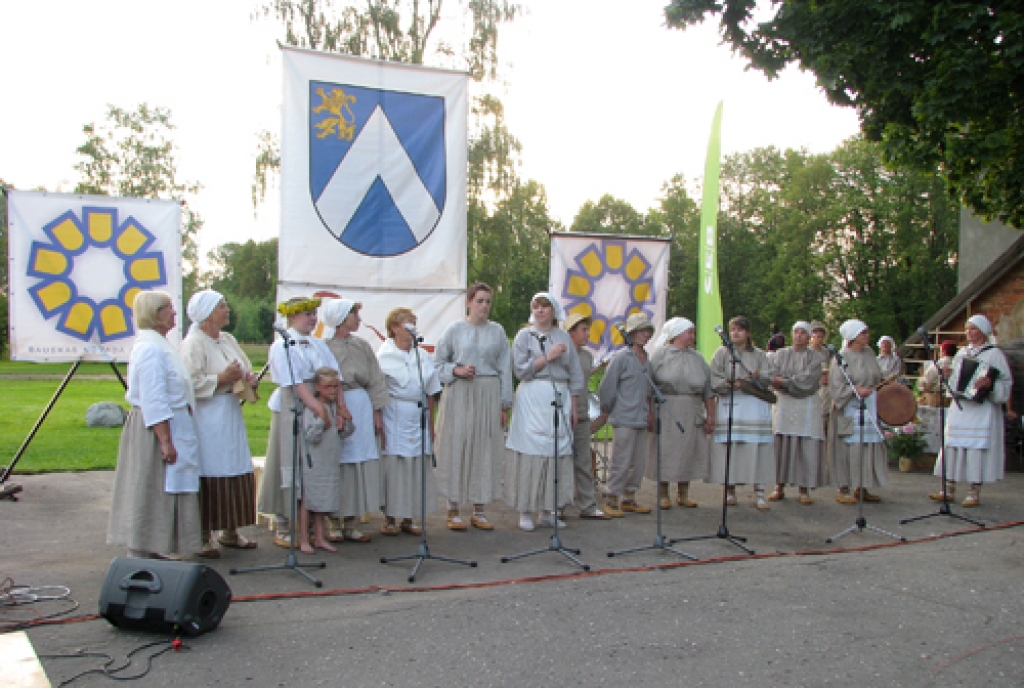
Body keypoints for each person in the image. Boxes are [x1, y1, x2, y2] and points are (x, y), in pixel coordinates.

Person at [107, 290, 201, 559]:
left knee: (165, 488)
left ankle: (159, 547)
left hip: (172, 423)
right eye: (169, 308)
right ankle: (141, 549)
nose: (174, 313)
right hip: (155, 428)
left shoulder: (161, 344)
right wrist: (165, 440)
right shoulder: (149, 348)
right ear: (156, 314)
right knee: (151, 487)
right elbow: (154, 397)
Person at [257, 296, 347, 548]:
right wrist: (319, 408)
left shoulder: (318, 345)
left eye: (314, 314)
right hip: (294, 407)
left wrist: (339, 406)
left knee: (315, 465)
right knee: (290, 461)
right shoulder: (282, 346)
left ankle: (313, 527)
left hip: (321, 404)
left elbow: (334, 376)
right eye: (307, 314)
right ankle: (286, 522)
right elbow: (295, 383)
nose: (313, 319)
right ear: (293, 316)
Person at [180, 290, 260, 557]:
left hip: (229, 413)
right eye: (222, 306)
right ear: (207, 313)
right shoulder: (194, 343)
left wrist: (248, 379)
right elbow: (190, 383)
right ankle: (203, 536)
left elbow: (244, 366)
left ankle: (230, 530)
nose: (227, 309)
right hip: (207, 416)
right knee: (210, 469)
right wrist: (222, 378)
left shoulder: (226, 339)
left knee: (234, 466)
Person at [434, 283, 513, 531]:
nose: (484, 306)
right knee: (457, 446)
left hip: (488, 393)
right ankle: (453, 507)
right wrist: (457, 370)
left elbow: (505, 369)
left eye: (488, 301)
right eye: (479, 301)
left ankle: (479, 509)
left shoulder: (497, 332)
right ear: (469, 302)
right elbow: (437, 363)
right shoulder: (454, 330)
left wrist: (504, 404)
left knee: (484, 448)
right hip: (459, 393)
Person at [506, 293, 584, 531]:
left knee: (555, 454)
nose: (540, 310)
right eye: (536, 306)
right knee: (532, 453)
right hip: (533, 397)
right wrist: (546, 358)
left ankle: (549, 509)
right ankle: (525, 510)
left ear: (553, 310)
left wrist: (574, 404)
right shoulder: (524, 336)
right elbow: (520, 370)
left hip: (558, 396)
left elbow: (575, 372)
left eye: (544, 306)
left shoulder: (563, 337)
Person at [320, 298, 389, 544]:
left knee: (358, 463)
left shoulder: (362, 346)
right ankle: (332, 521)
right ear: (341, 318)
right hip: (335, 404)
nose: (358, 320)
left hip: (360, 404)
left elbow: (376, 378)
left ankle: (351, 522)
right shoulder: (324, 347)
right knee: (337, 461)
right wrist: (334, 407)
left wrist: (377, 412)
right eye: (354, 315)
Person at [929, 315, 1012, 507]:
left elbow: (1006, 383)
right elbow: (956, 381)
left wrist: (990, 384)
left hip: (981, 410)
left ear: (983, 331)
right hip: (961, 407)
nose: (969, 332)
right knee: (953, 445)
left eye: (973, 329)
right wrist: (948, 377)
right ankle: (948, 488)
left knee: (976, 449)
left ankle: (974, 491)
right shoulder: (962, 353)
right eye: (967, 329)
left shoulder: (994, 354)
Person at [376, 307, 441, 535]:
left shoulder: (422, 355)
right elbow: (378, 392)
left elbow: (431, 392)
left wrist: (431, 424)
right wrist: (379, 420)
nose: (413, 328)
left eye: (415, 323)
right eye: (408, 324)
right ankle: (391, 517)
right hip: (395, 413)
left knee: (416, 468)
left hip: (418, 413)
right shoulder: (383, 356)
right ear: (394, 328)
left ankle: (410, 517)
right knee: (396, 468)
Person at [645, 317, 713, 509]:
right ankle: (663, 493)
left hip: (691, 409)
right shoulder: (660, 356)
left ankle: (683, 493)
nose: (692, 335)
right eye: (688, 332)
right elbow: (648, 386)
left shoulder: (698, 358)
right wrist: (649, 412)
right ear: (676, 334)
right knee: (665, 450)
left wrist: (710, 416)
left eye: (693, 332)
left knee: (688, 451)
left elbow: (708, 390)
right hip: (666, 409)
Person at [709, 315, 776, 509]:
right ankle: (730, 490)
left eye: (740, 329)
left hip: (755, 408)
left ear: (747, 333)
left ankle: (760, 492)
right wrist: (732, 383)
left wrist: (755, 377)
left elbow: (769, 377)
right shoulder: (721, 353)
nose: (735, 333)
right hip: (731, 406)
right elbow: (714, 378)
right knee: (732, 449)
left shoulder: (760, 355)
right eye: (733, 330)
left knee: (757, 450)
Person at [596, 312, 656, 516]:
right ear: (632, 333)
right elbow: (607, 387)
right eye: (641, 331)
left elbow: (648, 389)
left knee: (638, 461)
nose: (645, 335)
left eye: (647, 331)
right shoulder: (621, 357)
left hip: (640, 416)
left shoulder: (646, 359)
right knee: (621, 459)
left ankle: (630, 497)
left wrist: (649, 412)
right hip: (624, 417)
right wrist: (609, 409)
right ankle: (612, 498)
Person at [828, 319, 887, 504]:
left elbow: (877, 375)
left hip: (869, 405)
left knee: (866, 445)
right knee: (847, 447)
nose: (867, 336)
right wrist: (854, 390)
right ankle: (843, 487)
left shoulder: (870, 353)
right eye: (863, 333)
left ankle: (862, 486)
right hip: (847, 408)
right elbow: (836, 387)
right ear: (853, 336)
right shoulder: (841, 357)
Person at [768, 321, 827, 504]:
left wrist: (785, 382)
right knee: (782, 444)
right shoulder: (780, 354)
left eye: (803, 333)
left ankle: (804, 489)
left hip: (806, 405)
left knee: (805, 446)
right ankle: (779, 486)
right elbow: (772, 374)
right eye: (796, 332)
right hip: (784, 404)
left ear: (809, 336)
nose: (799, 336)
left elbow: (808, 381)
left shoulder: (815, 357)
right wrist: (786, 382)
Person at [564, 313, 608, 519]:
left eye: (588, 330)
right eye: (583, 330)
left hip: (581, 415)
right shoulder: (562, 353)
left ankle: (588, 505)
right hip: (563, 416)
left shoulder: (587, 356)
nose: (587, 334)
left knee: (584, 462)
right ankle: (558, 506)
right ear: (571, 332)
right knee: (562, 462)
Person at [299, 368, 344, 554]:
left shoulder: (334, 408)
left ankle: (319, 537)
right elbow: (311, 436)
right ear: (318, 387)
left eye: (336, 387)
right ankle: (303, 539)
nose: (332, 390)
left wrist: (346, 423)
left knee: (321, 501)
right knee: (308, 500)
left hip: (329, 460)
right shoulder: (313, 409)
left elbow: (341, 434)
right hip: (314, 461)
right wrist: (320, 421)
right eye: (328, 387)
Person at [809, 321, 832, 439]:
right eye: (817, 336)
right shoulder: (808, 352)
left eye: (821, 337)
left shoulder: (827, 352)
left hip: (826, 388)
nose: (819, 339)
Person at [919, 340, 957, 407]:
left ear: (944, 351)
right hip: (953, 400)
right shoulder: (957, 363)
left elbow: (927, 379)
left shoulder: (939, 363)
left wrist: (921, 385)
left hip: (937, 399)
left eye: (940, 350)